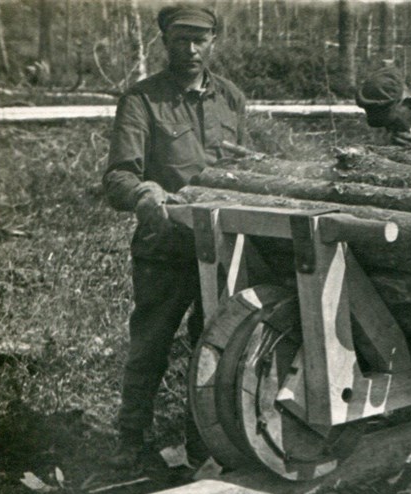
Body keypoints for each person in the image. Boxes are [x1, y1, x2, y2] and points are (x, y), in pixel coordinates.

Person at [102, 4, 247, 470]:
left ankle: (202, 441)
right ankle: (131, 439)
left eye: (200, 39)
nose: (190, 49)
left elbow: (243, 170)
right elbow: (118, 177)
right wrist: (147, 193)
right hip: (165, 250)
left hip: (222, 249)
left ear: (213, 42)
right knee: (150, 346)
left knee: (215, 349)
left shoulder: (231, 99)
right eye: (181, 40)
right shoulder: (142, 100)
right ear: (165, 42)